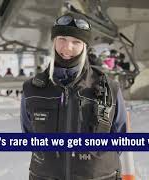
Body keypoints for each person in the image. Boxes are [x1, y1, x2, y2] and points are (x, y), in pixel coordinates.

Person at [20, 12, 127, 180]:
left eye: (76, 42)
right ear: (54, 41)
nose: (67, 48)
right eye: (62, 39)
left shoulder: (109, 88)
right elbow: (29, 133)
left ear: (85, 46)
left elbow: (120, 136)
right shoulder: (33, 89)